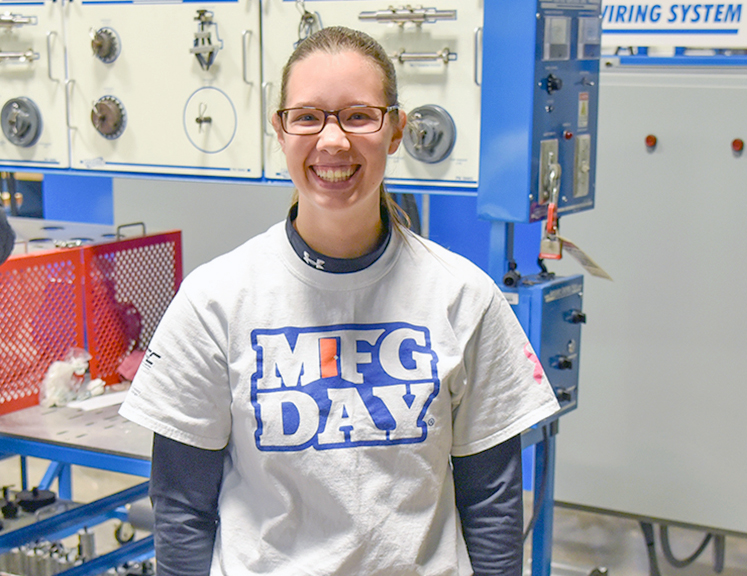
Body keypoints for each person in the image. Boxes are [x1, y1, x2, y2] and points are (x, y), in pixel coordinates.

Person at [119, 26, 560, 576]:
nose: (333, 141)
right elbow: (183, 509)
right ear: (279, 130)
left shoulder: (462, 297)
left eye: (358, 116)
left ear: (396, 130)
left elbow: (490, 503)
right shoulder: (216, 302)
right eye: (308, 117)